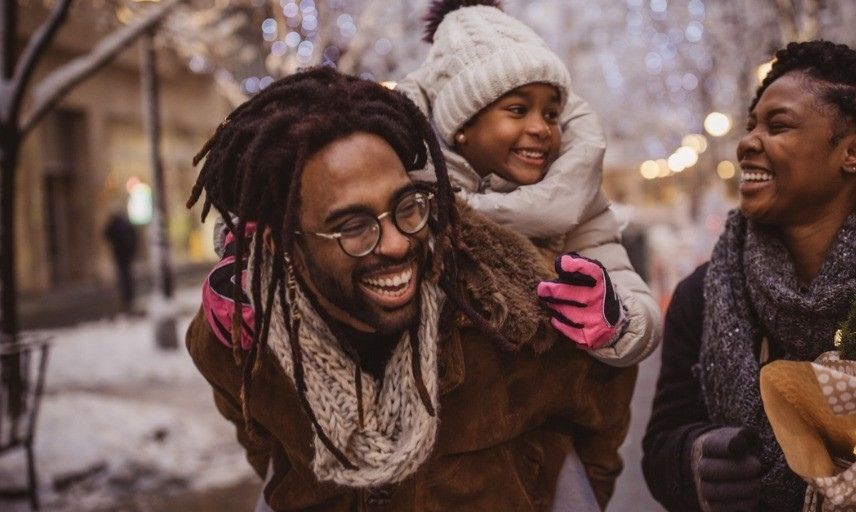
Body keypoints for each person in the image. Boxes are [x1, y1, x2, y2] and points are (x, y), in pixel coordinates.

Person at [185, 67, 636, 511]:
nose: (399, 242)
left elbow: (601, 411)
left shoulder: (507, 316)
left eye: (406, 206)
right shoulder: (241, 339)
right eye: (353, 227)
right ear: (283, 244)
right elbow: (261, 442)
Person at [642, 40, 856, 511]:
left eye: (778, 125)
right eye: (750, 127)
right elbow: (662, 443)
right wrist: (698, 458)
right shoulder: (702, 296)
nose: (748, 142)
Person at [396, 0, 661, 366]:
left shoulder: (579, 202)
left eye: (551, 113)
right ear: (461, 127)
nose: (541, 128)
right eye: (518, 110)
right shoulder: (406, 203)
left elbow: (640, 308)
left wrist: (616, 318)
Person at [103, 210, 138, 314]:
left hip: (120, 255)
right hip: (126, 256)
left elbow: (105, 234)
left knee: (124, 277)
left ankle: (126, 298)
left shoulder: (115, 225)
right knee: (127, 277)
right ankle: (129, 298)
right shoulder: (126, 225)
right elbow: (134, 238)